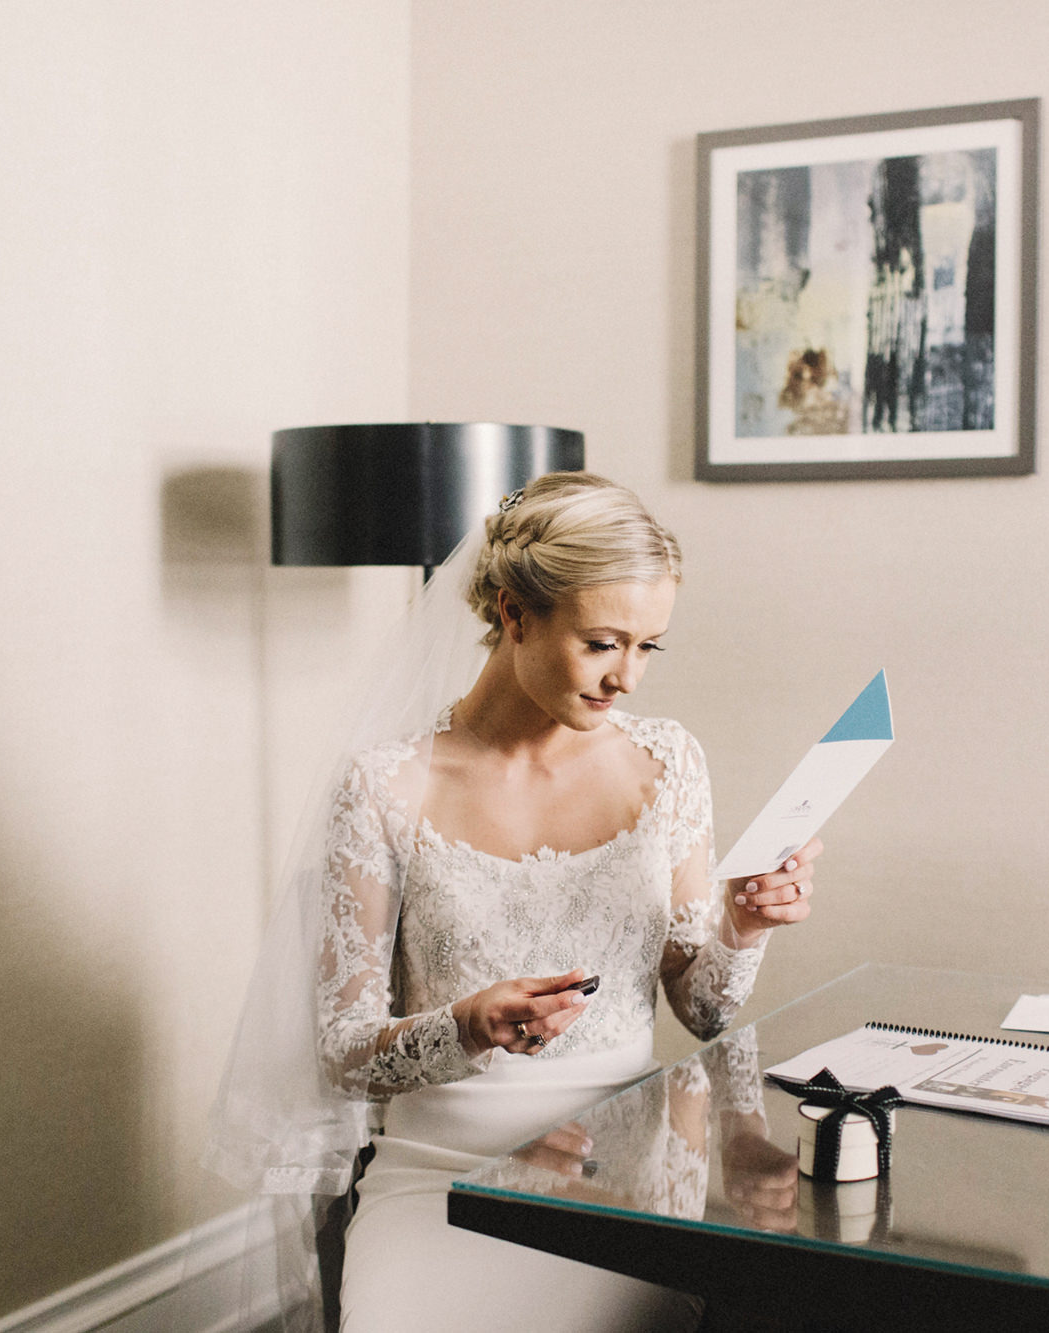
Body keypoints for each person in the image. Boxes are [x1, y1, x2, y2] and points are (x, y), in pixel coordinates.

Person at [205, 471, 819, 1331]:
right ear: (516, 612)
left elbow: (705, 1009)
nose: (627, 679)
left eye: (650, 647)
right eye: (604, 642)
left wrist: (741, 926)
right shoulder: (385, 785)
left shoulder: (669, 763)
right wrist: (465, 1025)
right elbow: (344, 1054)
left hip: (628, 1170)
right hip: (440, 1166)